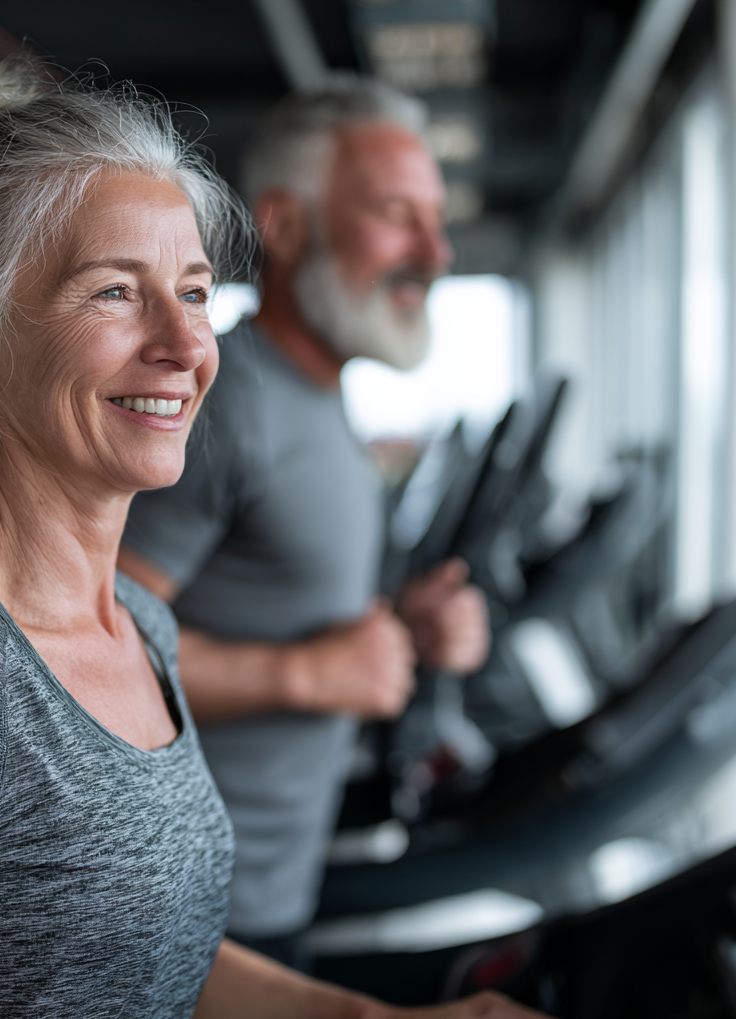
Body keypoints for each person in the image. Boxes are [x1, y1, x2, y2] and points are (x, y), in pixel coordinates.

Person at [0, 62, 553, 1019]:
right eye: (115, 292)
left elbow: (146, 951)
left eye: (195, 293)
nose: (186, 345)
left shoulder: (143, 632)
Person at [119, 76, 491, 965]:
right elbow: (87, 654)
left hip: (268, 894)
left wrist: (407, 630)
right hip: (184, 919)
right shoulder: (228, 401)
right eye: (397, 215)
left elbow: (265, 603)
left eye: (435, 221)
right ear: (284, 227)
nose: (434, 252)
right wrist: (311, 674)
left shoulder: (318, 401)